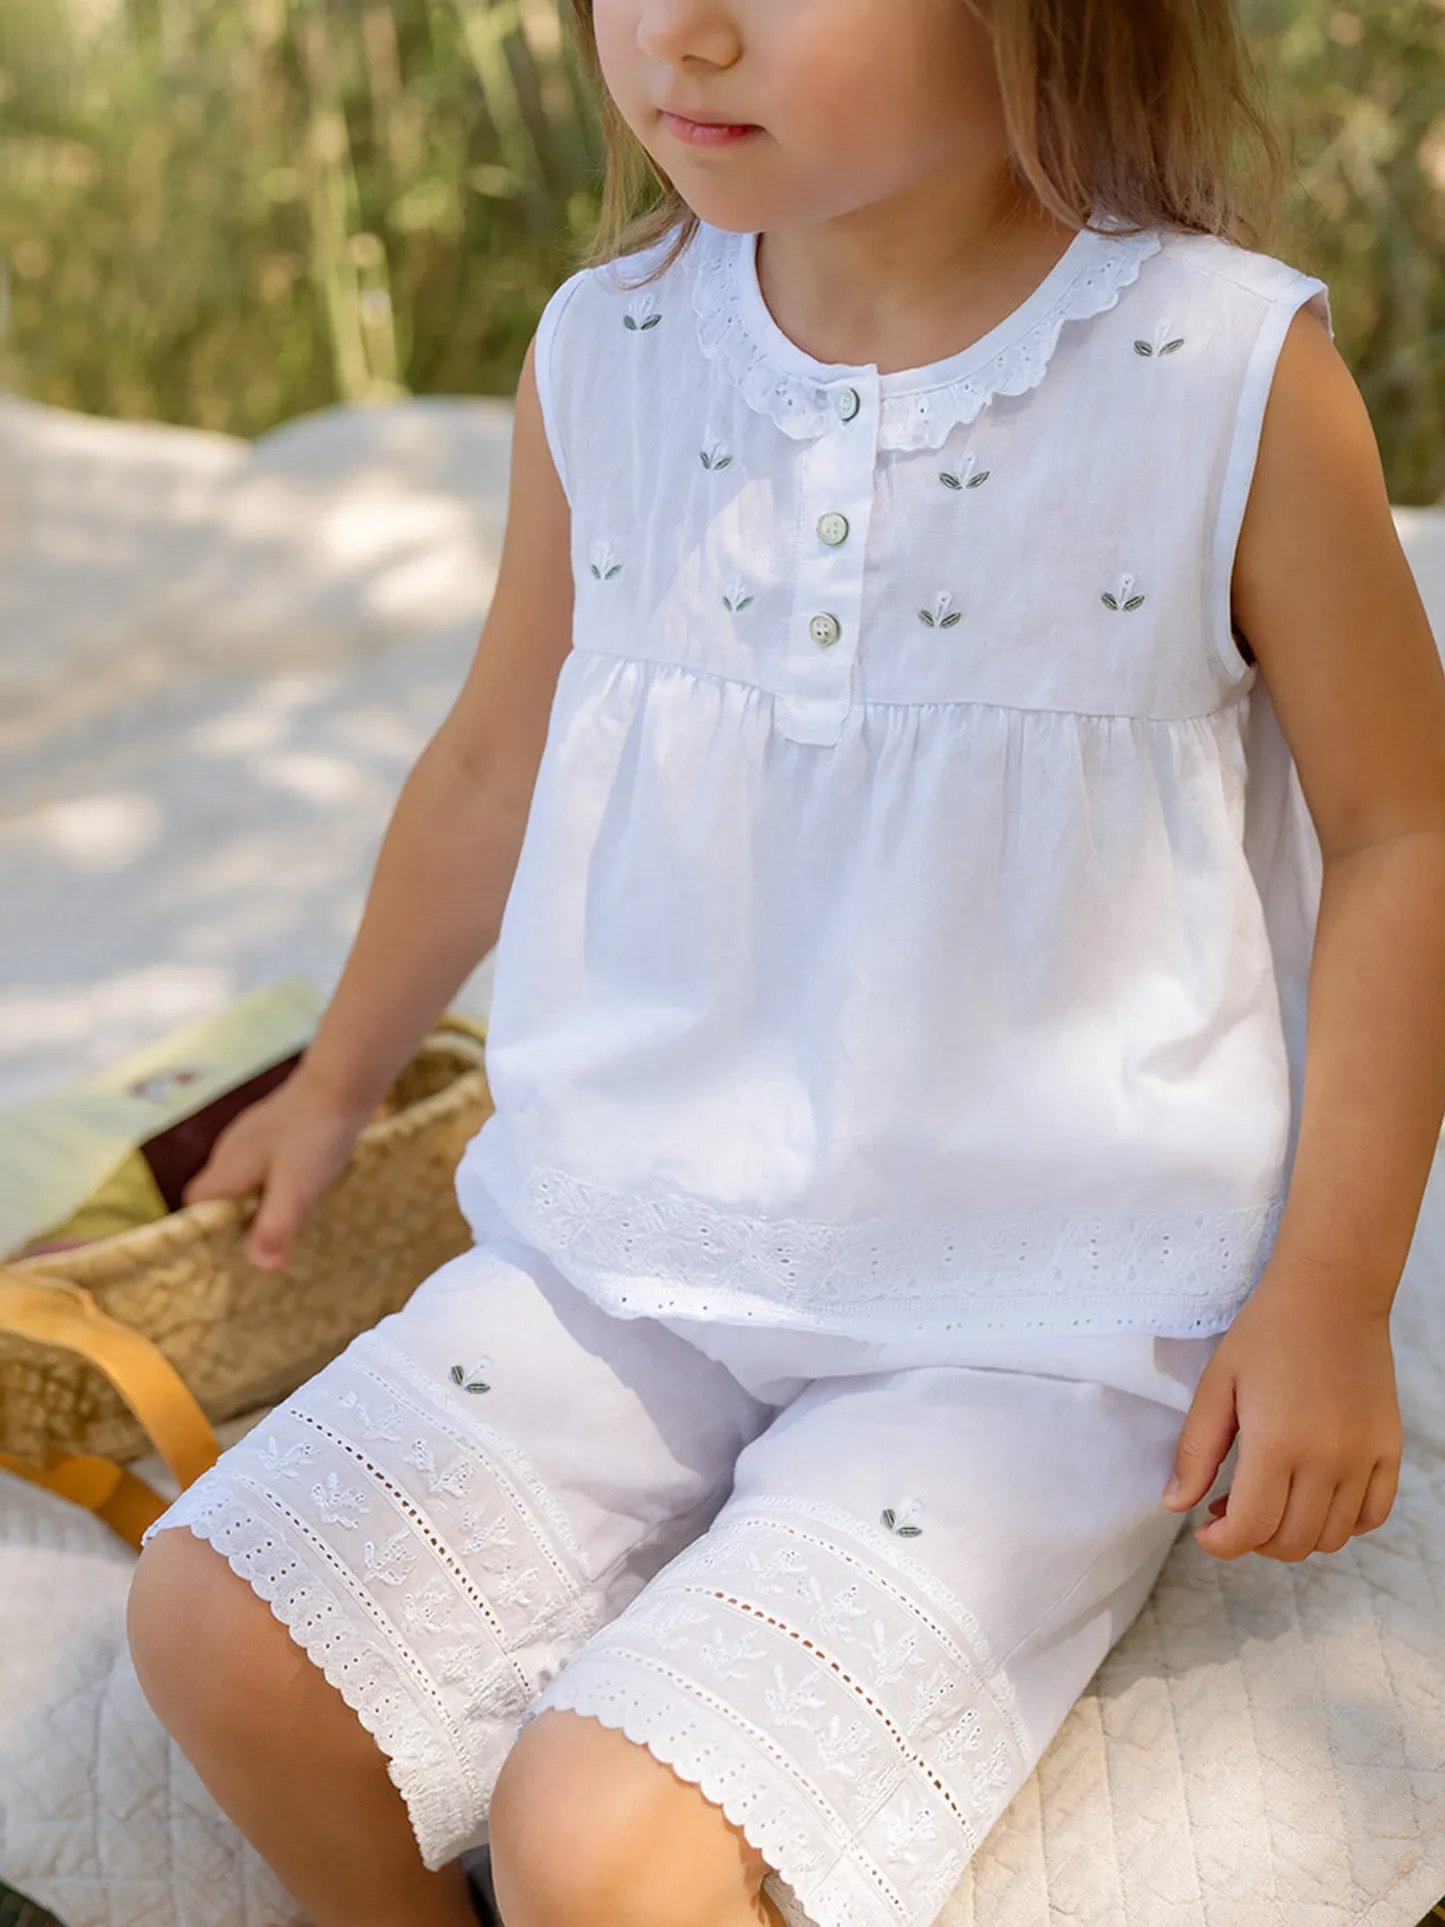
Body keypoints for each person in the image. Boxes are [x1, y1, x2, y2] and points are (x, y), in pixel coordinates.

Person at [125, 3, 1445, 1925]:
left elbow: (1405, 831)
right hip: (619, 1256)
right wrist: (333, 1084)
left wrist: (1330, 1294)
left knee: (596, 1837)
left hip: (1030, 1321)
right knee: (216, 1624)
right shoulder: (610, 350)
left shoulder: (1226, 374)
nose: (686, 31)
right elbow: (492, 758)